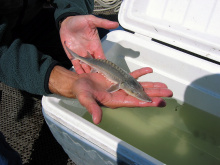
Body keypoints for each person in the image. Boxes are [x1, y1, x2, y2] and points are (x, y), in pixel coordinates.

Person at [0, 0, 172, 164]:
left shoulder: (127, 81)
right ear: (121, 85)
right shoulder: (118, 85)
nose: (137, 93)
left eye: (135, 91)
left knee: (104, 38)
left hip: (33, 18)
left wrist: (70, 13)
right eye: (134, 92)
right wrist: (59, 79)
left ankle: (68, 47)